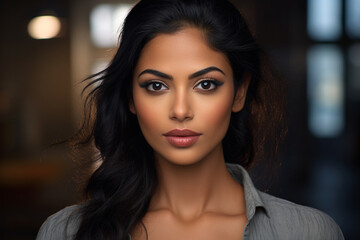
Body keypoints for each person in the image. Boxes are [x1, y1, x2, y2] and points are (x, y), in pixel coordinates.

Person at [36, 0, 344, 239]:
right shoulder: (64, 232)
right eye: (156, 86)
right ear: (130, 97)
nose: (180, 110)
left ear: (239, 93)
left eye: (206, 84)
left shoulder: (309, 232)